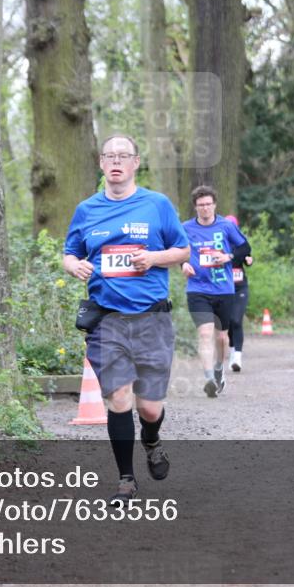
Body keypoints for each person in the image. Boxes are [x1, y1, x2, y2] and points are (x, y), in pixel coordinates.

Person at [63, 134, 191, 505]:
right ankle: (126, 480)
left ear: (136, 163)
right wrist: (75, 265)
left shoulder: (157, 205)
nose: (116, 161)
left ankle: (151, 439)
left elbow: (183, 249)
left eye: (124, 155)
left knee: (149, 406)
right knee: (118, 399)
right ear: (102, 164)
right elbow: (69, 253)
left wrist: (153, 259)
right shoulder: (87, 210)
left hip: (152, 318)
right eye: (109, 156)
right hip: (107, 320)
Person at [181, 186, 248, 398]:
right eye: (201, 205)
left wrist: (228, 257)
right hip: (197, 289)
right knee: (205, 333)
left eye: (208, 204)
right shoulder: (185, 228)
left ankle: (219, 369)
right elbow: (177, 250)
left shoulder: (226, 226)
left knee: (221, 337)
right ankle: (209, 378)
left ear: (215, 205)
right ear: (195, 207)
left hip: (224, 290)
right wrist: (183, 263)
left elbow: (245, 248)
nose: (205, 208)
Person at [223, 214, 253, 372]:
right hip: (224, 288)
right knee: (227, 323)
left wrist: (249, 260)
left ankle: (237, 356)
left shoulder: (240, 243)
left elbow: (248, 256)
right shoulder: (219, 243)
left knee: (236, 320)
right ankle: (232, 349)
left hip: (240, 287)